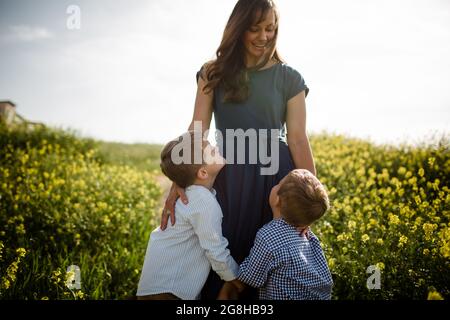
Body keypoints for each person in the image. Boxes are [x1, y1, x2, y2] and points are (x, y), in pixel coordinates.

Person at [161, 0, 315, 299]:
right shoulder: (212, 73)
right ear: (238, 29)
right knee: (223, 249)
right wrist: (178, 181)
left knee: (272, 254)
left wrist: (309, 195)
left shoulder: (290, 78)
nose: (264, 36)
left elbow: (297, 138)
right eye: (254, 29)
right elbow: (197, 131)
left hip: (275, 176)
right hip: (228, 175)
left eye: (270, 28)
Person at [136, 131, 243, 300]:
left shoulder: (193, 195)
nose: (217, 148)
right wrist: (237, 278)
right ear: (203, 173)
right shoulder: (202, 200)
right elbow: (215, 248)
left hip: (157, 286)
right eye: (212, 151)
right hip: (169, 291)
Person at [218, 169, 333, 300]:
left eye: (278, 183)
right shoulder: (308, 235)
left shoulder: (268, 236)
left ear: (277, 199)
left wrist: (230, 280)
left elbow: (252, 278)